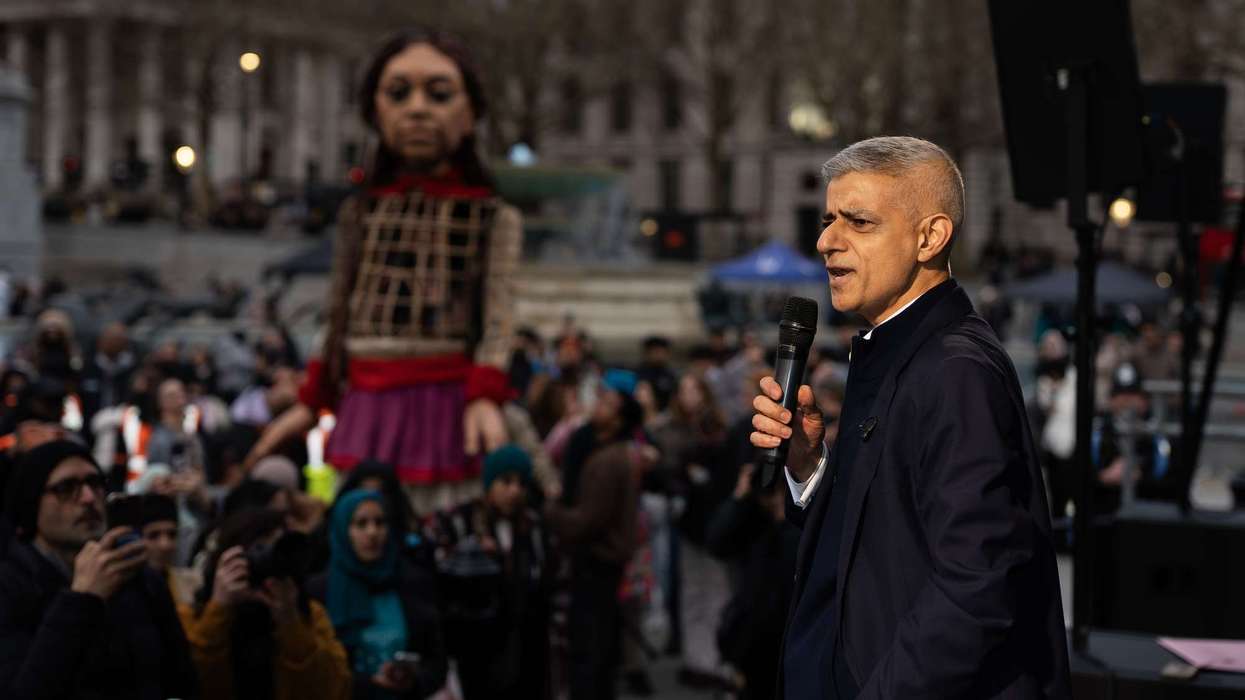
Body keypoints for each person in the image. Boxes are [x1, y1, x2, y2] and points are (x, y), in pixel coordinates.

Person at [750, 137, 1069, 698]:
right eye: (828, 220)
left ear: (930, 237)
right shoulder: (896, 349)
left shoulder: (954, 370)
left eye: (859, 222)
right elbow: (884, 541)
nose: (826, 241)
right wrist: (810, 470)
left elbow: (979, 585)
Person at [248, 28, 522, 515]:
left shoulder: (494, 217)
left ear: (470, 114)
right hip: (367, 403)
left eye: (438, 94)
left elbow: (499, 314)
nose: (417, 110)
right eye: (399, 94)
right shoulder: (360, 212)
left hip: (445, 402)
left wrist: (484, 391)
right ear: (375, 112)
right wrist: (314, 398)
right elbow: (338, 311)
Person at [0, 440, 198, 699]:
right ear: (32, 503)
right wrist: (81, 601)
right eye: (66, 488)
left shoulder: (138, 578)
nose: (88, 498)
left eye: (95, 484)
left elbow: (181, 680)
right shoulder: (9, 587)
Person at [180, 507, 352, 700]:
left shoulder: (310, 615)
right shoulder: (194, 614)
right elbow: (187, 680)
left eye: (277, 548)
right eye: (260, 548)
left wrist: (290, 620)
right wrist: (219, 607)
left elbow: (333, 689)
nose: (271, 561)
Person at [545, 370, 645, 700]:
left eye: (606, 403)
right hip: (603, 562)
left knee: (591, 648)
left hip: (598, 562)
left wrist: (551, 511)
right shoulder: (608, 452)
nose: (597, 406)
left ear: (618, 420)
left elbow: (587, 521)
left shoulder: (607, 461)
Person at [428, 444, 552, 699]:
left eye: (521, 484)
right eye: (506, 482)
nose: (514, 491)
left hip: (525, 652)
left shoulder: (533, 526)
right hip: (474, 653)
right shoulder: (458, 522)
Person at [308, 490, 448, 699]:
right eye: (361, 524)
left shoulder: (411, 581)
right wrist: (368, 685)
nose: (372, 532)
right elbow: (315, 670)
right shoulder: (320, 590)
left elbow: (436, 661)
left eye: (380, 522)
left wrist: (411, 679)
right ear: (343, 530)